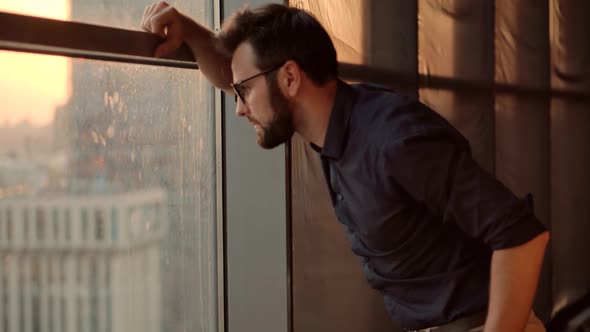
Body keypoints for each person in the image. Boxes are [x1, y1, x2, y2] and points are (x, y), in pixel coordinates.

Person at [140, 2, 550, 331]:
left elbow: (520, 234)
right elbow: (240, 70)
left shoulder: (393, 139)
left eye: (243, 92)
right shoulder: (336, 123)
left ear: (289, 78)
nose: (239, 109)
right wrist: (190, 34)